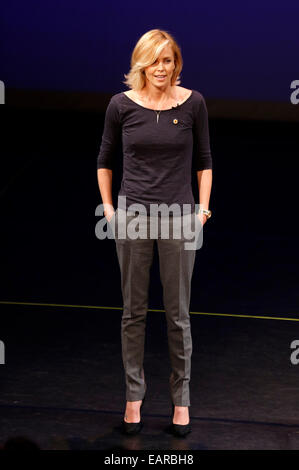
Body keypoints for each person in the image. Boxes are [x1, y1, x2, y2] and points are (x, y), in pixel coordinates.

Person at [97, 29, 212, 437]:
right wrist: (110, 210)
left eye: (168, 60)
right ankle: (133, 397)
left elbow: (204, 160)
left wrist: (201, 211)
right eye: (154, 61)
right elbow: (105, 159)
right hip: (133, 218)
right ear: (141, 63)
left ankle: (181, 402)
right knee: (134, 313)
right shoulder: (120, 105)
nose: (161, 68)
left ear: (175, 63)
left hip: (180, 219)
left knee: (178, 316)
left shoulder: (193, 102)